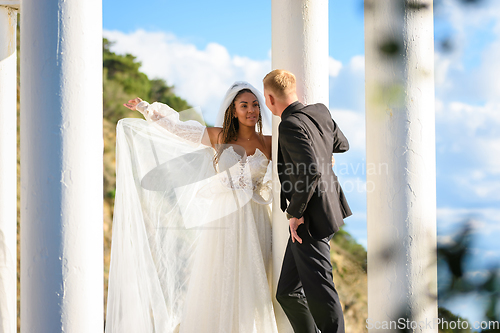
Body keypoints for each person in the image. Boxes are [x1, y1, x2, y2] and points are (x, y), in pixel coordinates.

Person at [105, 82, 278, 333]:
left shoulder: (270, 142)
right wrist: (147, 109)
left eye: (254, 105)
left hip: (256, 217)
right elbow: (177, 129)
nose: (251, 110)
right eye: (244, 105)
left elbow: (300, 153)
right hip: (224, 217)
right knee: (221, 279)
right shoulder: (220, 136)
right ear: (233, 110)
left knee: (253, 281)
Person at [263, 69, 352, 333]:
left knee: (321, 291)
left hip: (310, 218)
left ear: (269, 98)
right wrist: (323, 153)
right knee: (288, 292)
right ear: (295, 90)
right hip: (328, 209)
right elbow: (342, 144)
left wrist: (295, 214)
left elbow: (310, 170)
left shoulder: (288, 125)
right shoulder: (320, 111)